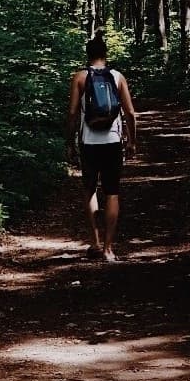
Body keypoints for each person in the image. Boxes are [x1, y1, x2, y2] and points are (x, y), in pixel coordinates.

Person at [66, 31, 137, 262]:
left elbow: (73, 112)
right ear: (106, 54)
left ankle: (95, 242)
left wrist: (69, 142)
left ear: (88, 55)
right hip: (113, 142)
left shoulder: (79, 77)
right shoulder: (117, 77)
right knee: (112, 192)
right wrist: (132, 141)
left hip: (88, 142)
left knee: (89, 189)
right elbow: (131, 113)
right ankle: (108, 249)